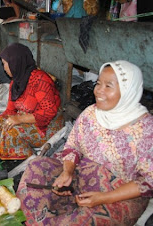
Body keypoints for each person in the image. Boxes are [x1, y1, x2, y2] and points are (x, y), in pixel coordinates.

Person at [16, 60, 153, 225]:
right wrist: (67, 172)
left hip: (118, 194)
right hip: (80, 175)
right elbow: (72, 146)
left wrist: (103, 198)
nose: (99, 91)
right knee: (35, 168)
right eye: (98, 83)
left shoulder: (146, 128)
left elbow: (148, 181)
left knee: (80, 221)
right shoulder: (91, 113)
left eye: (108, 86)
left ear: (128, 90)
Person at [0, 43, 64, 160]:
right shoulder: (16, 82)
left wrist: (19, 119)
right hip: (28, 117)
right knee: (0, 124)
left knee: (12, 132)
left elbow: (49, 112)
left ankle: (27, 161)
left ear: (16, 63)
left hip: (47, 125)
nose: (4, 68)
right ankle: (9, 156)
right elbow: (10, 110)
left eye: (5, 64)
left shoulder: (40, 79)